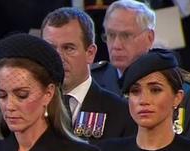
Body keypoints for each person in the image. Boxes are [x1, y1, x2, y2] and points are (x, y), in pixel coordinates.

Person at [91, 0, 190, 143]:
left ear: (150, 37)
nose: (116, 45)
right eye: (111, 35)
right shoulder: (92, 82)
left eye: (126, 36)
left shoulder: (186, 90)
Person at [41, 7, 136, 142]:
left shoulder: (121, 114)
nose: (58, 58)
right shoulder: (31, 107)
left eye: (68, 48)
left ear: (90, 53)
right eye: (50, 49)